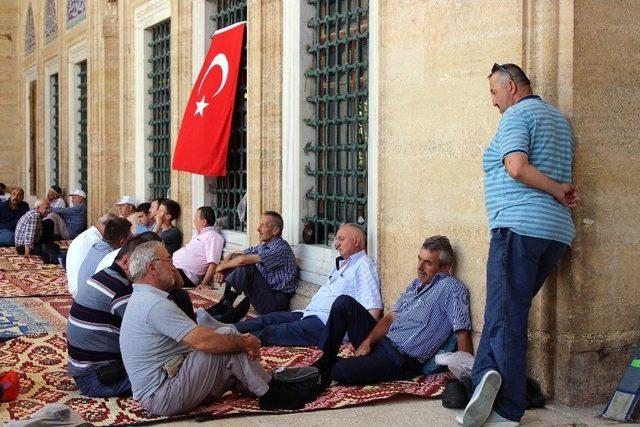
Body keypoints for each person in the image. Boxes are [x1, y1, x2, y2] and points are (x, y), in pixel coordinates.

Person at [458, 63, 579, 427]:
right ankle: (484, 380)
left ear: (511, 87)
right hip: (553, 234)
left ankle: (508, 410)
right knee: (502, 311)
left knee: (508, 317)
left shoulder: (516, 115)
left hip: (519, 227)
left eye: (494, 93)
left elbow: (516, 167)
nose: (493, 102)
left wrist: (558, 191)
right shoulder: (558, 120)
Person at [119, 241, 272, 416]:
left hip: (162, 389)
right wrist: (246, 344)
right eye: (169, 261)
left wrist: (239, 343)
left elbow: (179, 284)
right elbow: (204, 342)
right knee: (227, 338)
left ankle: (260, 382)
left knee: (227, 351)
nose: (174, 267)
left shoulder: (144, 296)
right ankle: (271, 391)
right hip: (163, 395)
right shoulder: (154, 305)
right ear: (152, 268)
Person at [312, 236, 472, 388]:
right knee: (343, 303)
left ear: (445, 267)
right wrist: (368, 342)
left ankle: (334, 365)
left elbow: (462, 333)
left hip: (399, 359)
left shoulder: (451, 288)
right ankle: (326, 359)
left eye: (428, 263)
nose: (419, 267)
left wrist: (467, 378)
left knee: (340, 371)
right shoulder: (415, 284)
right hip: (383, 342)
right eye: (419, 259)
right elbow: (389, 318)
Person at [198, 223, 382, 347]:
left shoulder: (364, 266)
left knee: (275, 331)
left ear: (357, 241)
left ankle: (229, 341)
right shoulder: (342, 264)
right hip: (308, 314)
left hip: (325, 324)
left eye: (341, 239)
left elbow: (373, 307)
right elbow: (242, 256)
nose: (336, 243)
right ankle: (222, 328)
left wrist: (364, 342)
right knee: (267, 319)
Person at [205, 211, 298, 323]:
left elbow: (243, 261)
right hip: (265, 294)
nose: (258, 229)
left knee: (247, 267)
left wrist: (221, 266)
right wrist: (221, 269)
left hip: (275, 303)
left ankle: (225, 305)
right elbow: (235, 255)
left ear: (275, 231)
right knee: (236, 260)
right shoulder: (264, 246)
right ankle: (226, 309)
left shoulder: (281, 249)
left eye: (262, 226)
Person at [66, 213, 117, 298]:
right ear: (109, 227)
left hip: (76, 287)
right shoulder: (96, 241)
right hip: (82, 291)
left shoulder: (88, 235)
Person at [76, 217, 131, 294]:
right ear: (123, 241)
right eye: (130, 237)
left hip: (80, 295)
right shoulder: (111, 257)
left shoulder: (96, 246)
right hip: (92, 301)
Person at [172, 206, 224, 288]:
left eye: (196, 218)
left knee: (156, 275)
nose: (194, 221)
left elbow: (213, 263)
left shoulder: (213, 236)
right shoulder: (197, 234)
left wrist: (203, 284)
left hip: (185, 273)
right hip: (175, 266)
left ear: (204, 222)